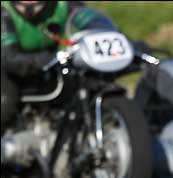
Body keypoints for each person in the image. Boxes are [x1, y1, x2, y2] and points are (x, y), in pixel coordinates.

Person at [1, 1, 99, 131]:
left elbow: (94, 22)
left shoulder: (62, 5)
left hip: (51, 66)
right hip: (8, 71)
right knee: (7, 101)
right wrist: (50, 58)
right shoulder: (4, 10)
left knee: (85, 85)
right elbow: (9, 58)